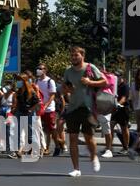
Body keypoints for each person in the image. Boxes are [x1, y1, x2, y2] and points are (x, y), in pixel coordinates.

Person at [63, 47, 106, 177]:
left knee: (89, 138)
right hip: (73, 109)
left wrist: (90, 82)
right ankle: (76, 169)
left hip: (88, 108)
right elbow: (65, 87)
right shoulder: (68, 71)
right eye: (72, 55)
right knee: (73, 139)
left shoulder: (90, 67)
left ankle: (94, 157)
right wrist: (68, 90)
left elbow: (105, 81)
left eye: (76, 55)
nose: (73, 58)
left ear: (82, 56)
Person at [13, 73, 40, 159]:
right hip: (19, 112)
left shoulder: (31, 91)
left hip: (28, 113)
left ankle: (32, 149)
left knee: (30, 132)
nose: (18, 82)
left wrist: (31, 109)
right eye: (17, 80)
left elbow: (37, 102)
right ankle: (17, 150)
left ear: (24, 81)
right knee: (17, 131)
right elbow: (17, 102)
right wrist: (15, 109)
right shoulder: (19, 91)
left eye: (19, 80)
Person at [36, 64, 57, 156]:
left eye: (41, 69)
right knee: (40, 129)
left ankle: (56, 145)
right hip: (39, 108)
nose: (38, 70)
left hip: (49, 109)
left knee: (50, 129)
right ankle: (43, 147)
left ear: (45, 70)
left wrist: (46, 105)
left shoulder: (49, 81)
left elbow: (52, 95)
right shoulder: (36, 81)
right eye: (38, 68)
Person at [110, 73, 131, 155]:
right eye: (114, 76)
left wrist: (117, 105)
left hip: (123, 110)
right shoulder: (114, 86)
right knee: (110, 127)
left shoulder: (125, 86)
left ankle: (126, 147)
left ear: (121, 77)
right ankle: (109, 147)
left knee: (124, 128)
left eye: (117, 76)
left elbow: (124, 98)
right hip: (114, 110)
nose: (116, 78)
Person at [53, 78, 68, 157]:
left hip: (63, 111)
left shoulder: (60, 89)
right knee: (59, 129)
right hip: (58, 111)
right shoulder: (58, 88)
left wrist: (62, 111)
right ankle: (61, 144)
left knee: (59, 129)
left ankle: (62, 145)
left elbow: (63, 101)